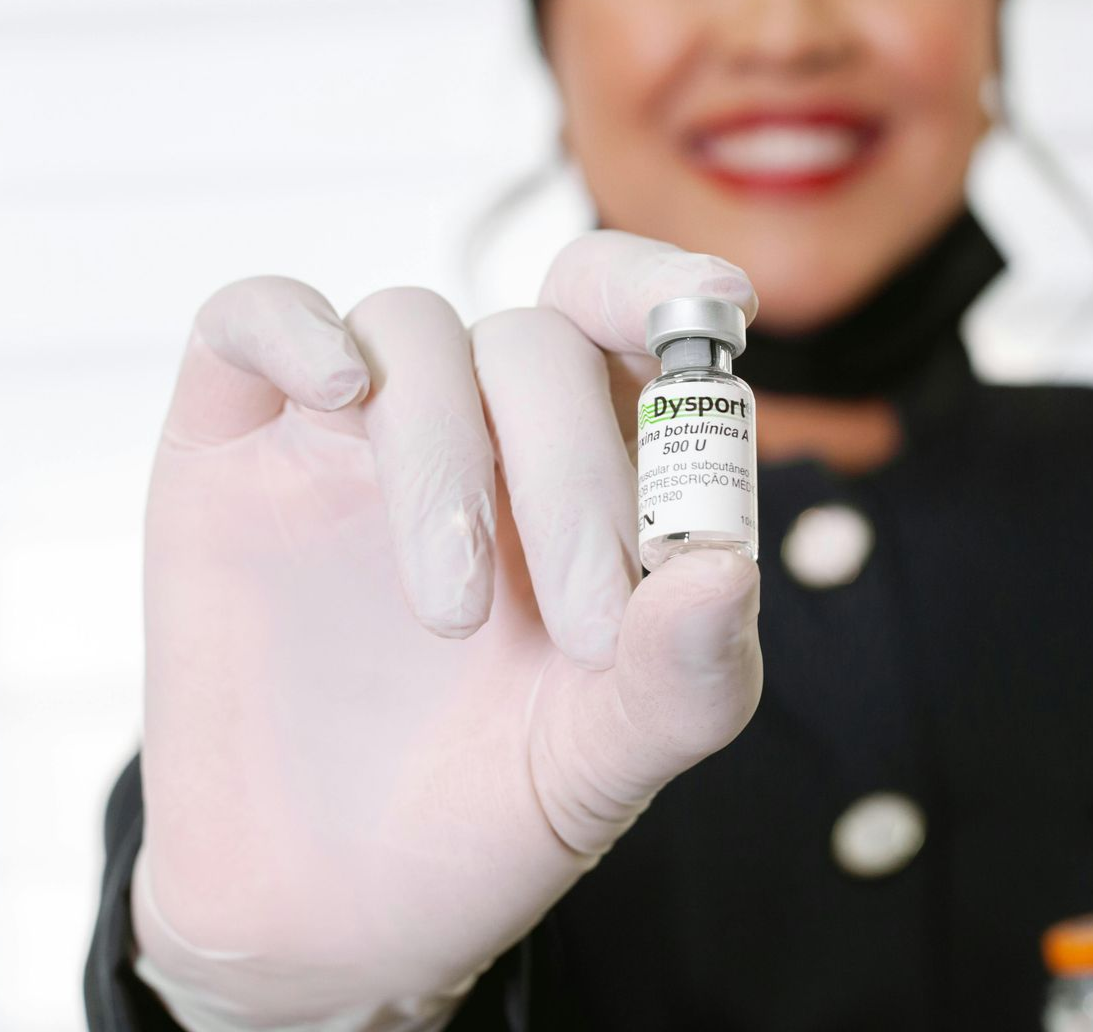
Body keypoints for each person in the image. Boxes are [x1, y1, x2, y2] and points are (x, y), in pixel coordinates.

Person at [85, 1, 1093, 1030]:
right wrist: (271, 1013)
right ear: (552, 55)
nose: (784, 35)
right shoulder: (390, 578)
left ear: (992, 40)